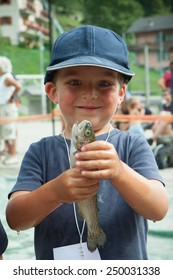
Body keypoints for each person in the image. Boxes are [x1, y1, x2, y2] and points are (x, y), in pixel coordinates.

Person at [6, 25, 168, 260]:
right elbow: (15, 219)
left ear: (121, 93)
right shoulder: (39, 152)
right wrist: (55, 192)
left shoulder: (133, 145)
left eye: (104, 84)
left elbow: (159, 209)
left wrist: (120, 172)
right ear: (52, 92)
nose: (91, 93)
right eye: (74, 83)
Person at [0, 56, 22, 165]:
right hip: (2, 108)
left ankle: (12, 156)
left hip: (7, 108)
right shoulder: (2, 77)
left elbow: (18, 86)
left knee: (9, 132)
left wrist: (11, 97)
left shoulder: (7, 78)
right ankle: (8, 154)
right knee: (4, 132)